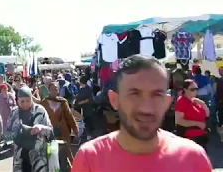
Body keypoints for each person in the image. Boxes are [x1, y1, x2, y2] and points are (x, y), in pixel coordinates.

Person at [72, 55, 212, 171]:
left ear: (167, 102)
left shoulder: (193, 158)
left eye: (156, 95)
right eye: (134, 94)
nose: (146, 108)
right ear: (114, 100)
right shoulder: (90, 159)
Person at [4, 87, 52, 172]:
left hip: (38, 158)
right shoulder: (14, 112)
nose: (25, 104)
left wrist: (41, 128)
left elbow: (50, 132)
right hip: (20, 158)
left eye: (28, 100)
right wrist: (16, 134)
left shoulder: (40, 111)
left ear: (32, 99)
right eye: (22, 101)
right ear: (17, 100)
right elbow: (7, 134)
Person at [41, 82, 78, 163]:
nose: (54, 91)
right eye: (52, 89)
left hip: (63, 132)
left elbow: (69, 117)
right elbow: (40, 117)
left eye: (56, 89)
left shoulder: (63, 102)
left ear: (58, 91)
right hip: (49, 132)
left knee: (67, 153)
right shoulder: (44, 103)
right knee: (51, 154)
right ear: (49, 90)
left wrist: (75, 130)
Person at [175, 79, 210, 150]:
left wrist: (203, 104)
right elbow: (179, 121)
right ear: (185, 90)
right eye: (192, 89)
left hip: (201, 137)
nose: (195, 91)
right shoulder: (182, 101)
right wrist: (197, 124)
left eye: (196, 89)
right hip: (190, 139)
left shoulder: (194, 100)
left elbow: (207, 115)